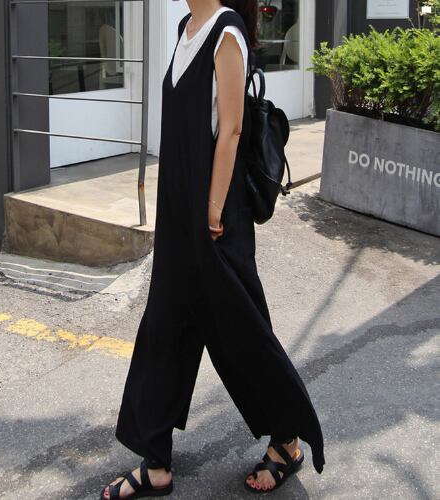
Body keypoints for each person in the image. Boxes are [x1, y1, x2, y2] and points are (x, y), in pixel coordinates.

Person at [100, 1, 325, 498]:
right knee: (165, 327)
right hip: (181, 211)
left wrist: (213, 209)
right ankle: (155, 461)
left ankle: (287, 441)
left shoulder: (227, 32)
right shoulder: (187, 28)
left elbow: (232, 128)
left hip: (216, 216)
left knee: (240, 330)